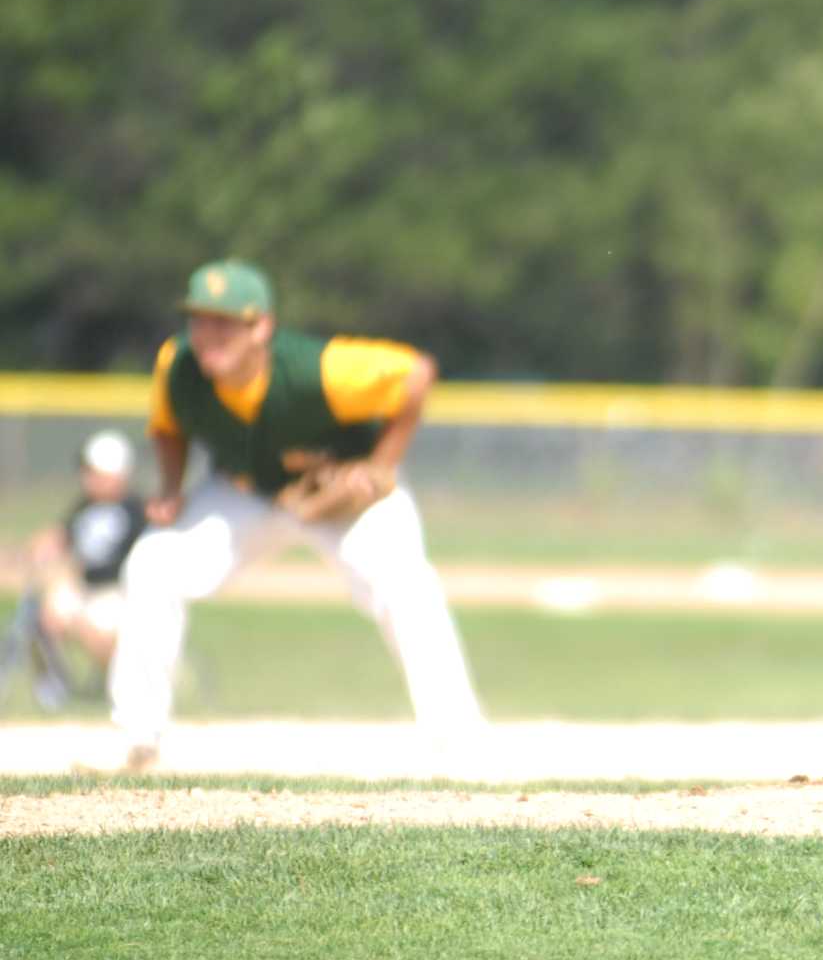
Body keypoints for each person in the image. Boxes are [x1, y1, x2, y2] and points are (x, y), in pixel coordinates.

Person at [103, 258, 485, 771]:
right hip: (247, 493)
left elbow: (417, 375)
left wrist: (381, 464)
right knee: (153, 562)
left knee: (406, 583)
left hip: (339, 492)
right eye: (199, 319)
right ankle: (137, 737)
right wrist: (171, 486)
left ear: (261, 326)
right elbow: (168, 426)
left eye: (224, 321)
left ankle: (458, 743)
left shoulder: (321, 368)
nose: (207, 334)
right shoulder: (177, 364)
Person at [7, 430, 148, 705]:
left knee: (103, 631)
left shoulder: (136, 509)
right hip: (86, 590)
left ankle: (123, 686)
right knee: (49, 607)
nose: (87, 478)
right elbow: (58, 535)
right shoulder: (84, 506)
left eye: (94, 471)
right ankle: (55, 690)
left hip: (119, 592)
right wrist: (26, 552)